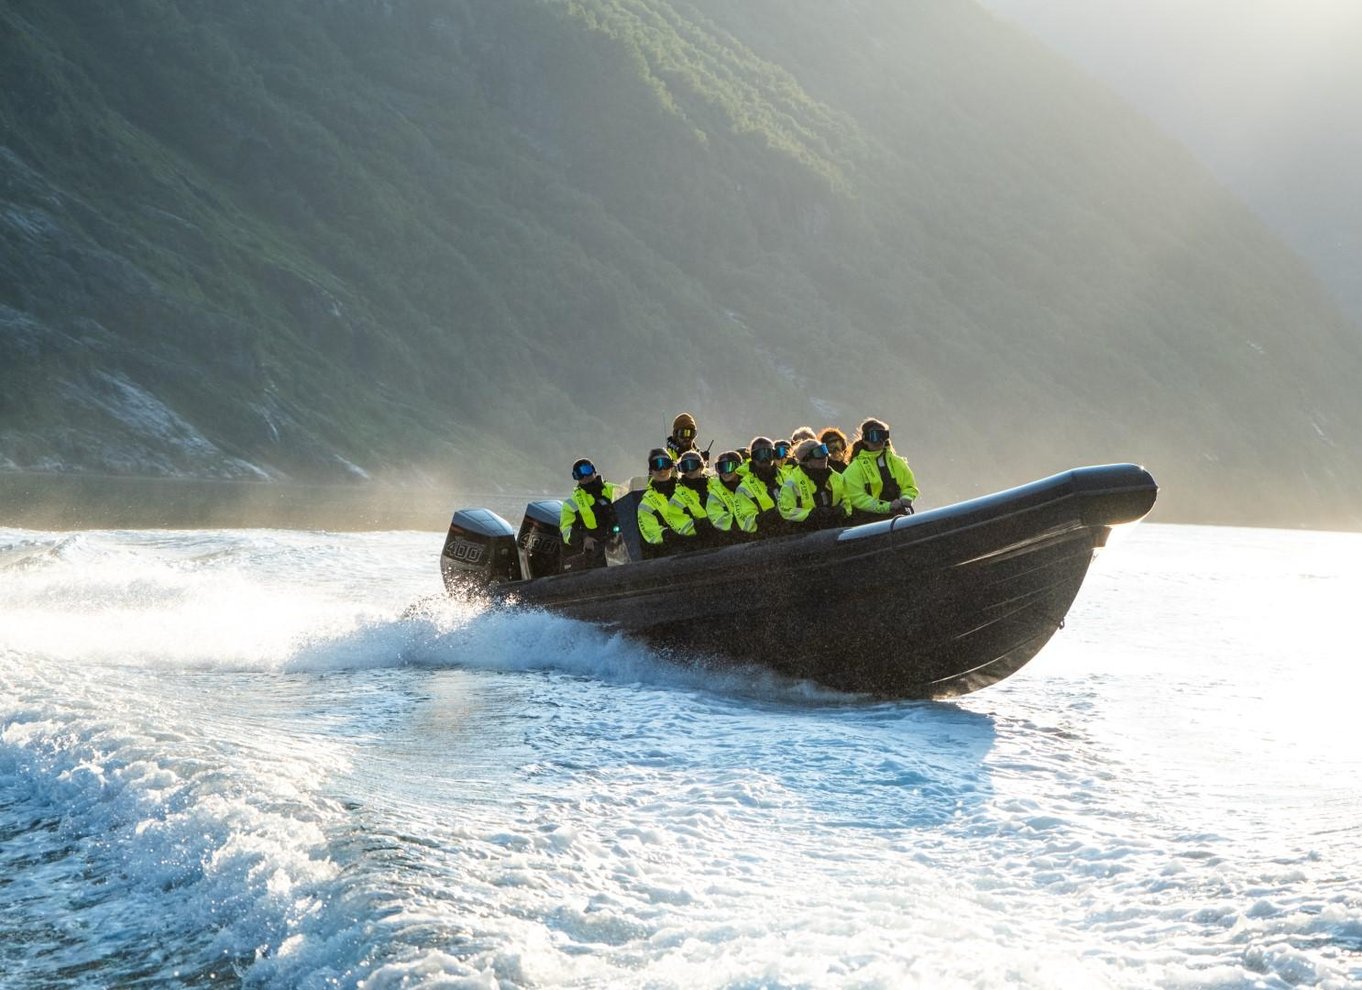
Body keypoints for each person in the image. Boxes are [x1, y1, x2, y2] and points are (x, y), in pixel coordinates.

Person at [841, 417, 919, 524]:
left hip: (898, 517)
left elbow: (909, 486)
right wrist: (887, 507)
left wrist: (906, 498)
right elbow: (857, 498)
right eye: (874, 436)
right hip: (868, 523)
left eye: (883, 436)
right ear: (865, 439)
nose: (878, 441)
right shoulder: (855, 468)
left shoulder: (897, 462)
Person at [559, 457, 627, 570]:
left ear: (594, 470)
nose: (585, 476)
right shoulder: (571, 503)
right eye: (579, 474)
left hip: (622, 540)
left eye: (587, 470)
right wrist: (584, 538)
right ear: (575, 477)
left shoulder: (614, 489)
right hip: (595, 547)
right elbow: (566, 531)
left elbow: (631, 506)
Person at [637, 448, 697, 557]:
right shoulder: (646, 502)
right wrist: (670, 536)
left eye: (665, 464)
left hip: (698, 543)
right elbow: (652, 533)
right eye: (656, 465)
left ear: (671, 466)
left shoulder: (688, 488)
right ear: (651, 470)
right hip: (669, 552)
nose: (662, 470)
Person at [779, 439, 850, 530]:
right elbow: (785, 510)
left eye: (824, 450)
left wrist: (842, 511)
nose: (824, 457)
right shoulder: (793, 481)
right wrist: (811, 514)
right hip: (805, 531)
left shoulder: (837, 478)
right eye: (819, 453)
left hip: (834, 528)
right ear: (806, 459)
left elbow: (847, 502)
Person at [734, 437, 787, 538]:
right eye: (760, 455)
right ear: (753, 457)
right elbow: (746, 523)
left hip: (793, 534)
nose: (765, 459)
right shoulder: (744, 488)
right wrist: (771, 516)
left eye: (768, 454)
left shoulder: (787, 478)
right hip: (764, 539)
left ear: (774, 455)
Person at [670, 449, 717, 547]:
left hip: (723, 538)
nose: (689, 470)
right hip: (697, 544)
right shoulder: (678, 496)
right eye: (684, 467)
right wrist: (705, 525)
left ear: (701, 466)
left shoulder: (716, 485)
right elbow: (682, 526)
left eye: (692, 465)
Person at [705, 449, 748, 543]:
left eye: (729, 467)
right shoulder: (715, 493)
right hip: (733, 538)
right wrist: (744, 523)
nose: (724, 472)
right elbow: (718, 519)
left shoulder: (751, 484)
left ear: (739, 466)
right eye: (720, 468)